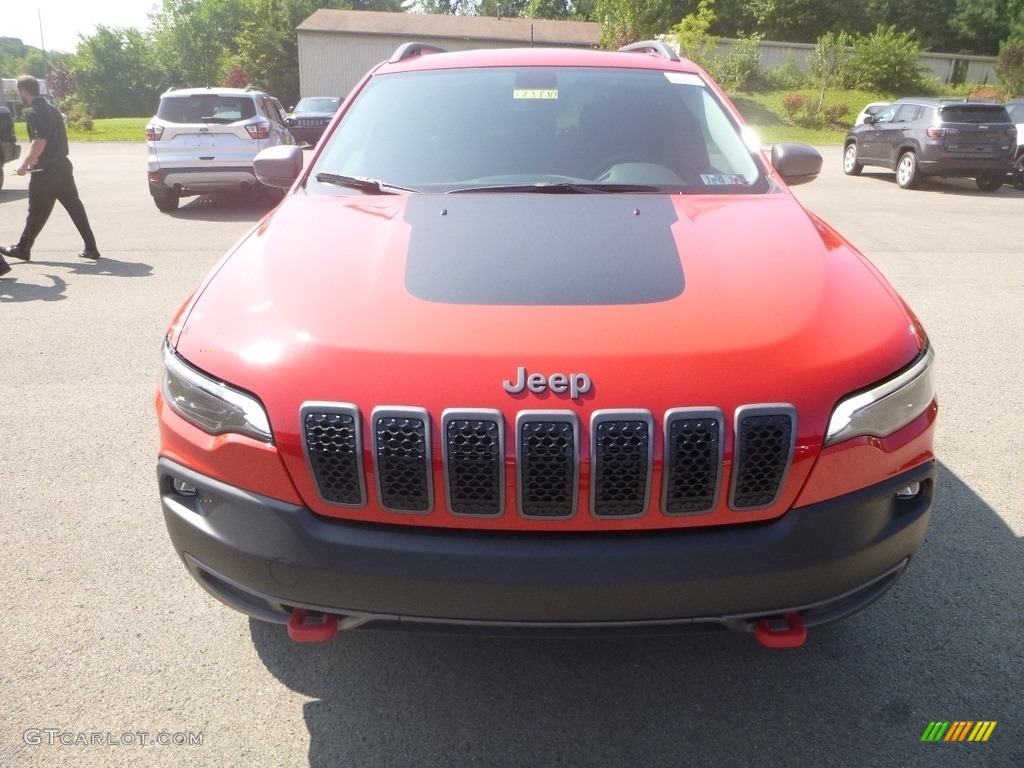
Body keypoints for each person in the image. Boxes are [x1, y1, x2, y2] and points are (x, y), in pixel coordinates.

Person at [0, 75, 100, 265]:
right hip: (63, 165)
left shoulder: (35, 112)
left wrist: (25, 164)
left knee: (36, 211)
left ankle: (23, 249)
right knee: (75, 207)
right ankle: (91, 247)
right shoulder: (52, 110)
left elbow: (40, 142)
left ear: (23, 91)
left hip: (46, 169)